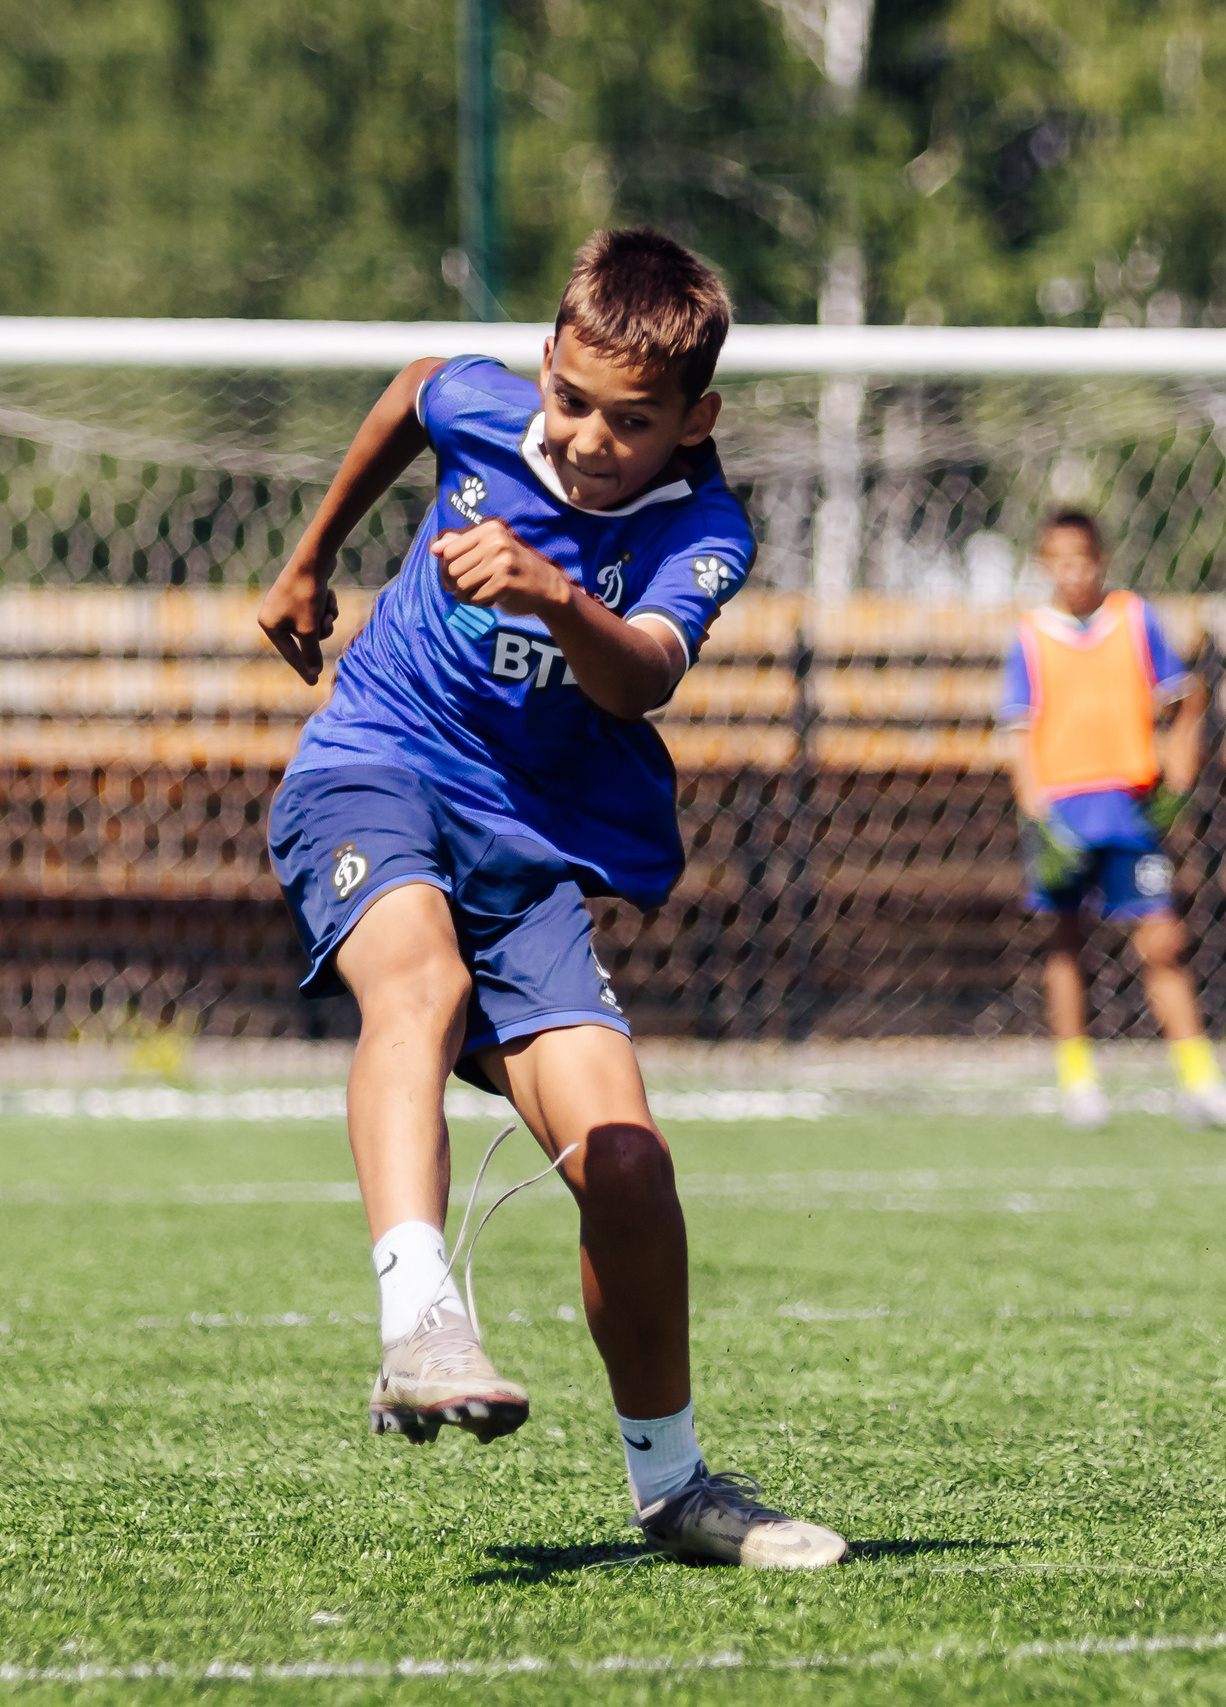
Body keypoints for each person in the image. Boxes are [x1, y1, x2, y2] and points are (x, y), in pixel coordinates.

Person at [254, 228, 845, 1567]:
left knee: (628, 1162)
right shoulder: (487, 408)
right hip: (374, 766)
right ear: (546, 367)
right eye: (570, 401)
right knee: (422, 982)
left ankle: (675, 1484)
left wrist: (549, 587)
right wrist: (309, 558)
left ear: (695, 418)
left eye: (630, 422)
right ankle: (419, 1314)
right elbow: (415, 383)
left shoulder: (704, 527)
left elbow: (639, 675)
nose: (586, 439)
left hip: (527, 848)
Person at [1001, 511, 1226, 1131]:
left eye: (1082, 558)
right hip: (1062, 811)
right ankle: (1078, 1083)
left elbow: (1186, 697)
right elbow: (1020, 729)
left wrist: (1178, 770)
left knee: (1163, 942)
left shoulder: (1134, 617)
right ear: (1045, 565)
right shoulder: (1031, 634)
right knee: (1066, 945)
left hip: (1128, 807)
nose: (1072, 571)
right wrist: (1034, 809)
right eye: (1058, 560)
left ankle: (1200, 1084)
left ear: (1101, 559)